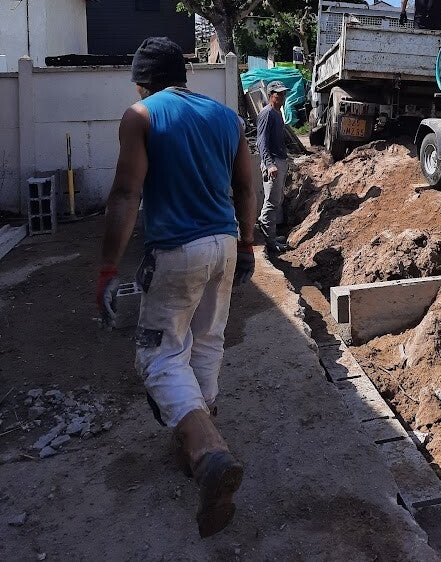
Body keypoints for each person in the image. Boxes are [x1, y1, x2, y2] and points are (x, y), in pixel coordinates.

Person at [96, 36, 257, 539]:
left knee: (159, 355)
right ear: (183, 76)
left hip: (176, 250)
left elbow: (126, 193)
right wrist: (247, 243)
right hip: (225, 245)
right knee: (205, 343)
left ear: (142, 82)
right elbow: (247, 186)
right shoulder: (226, 117)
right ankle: (192, 445)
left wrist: (106, 268)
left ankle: (208, 451)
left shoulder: (141, 115)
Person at [256, 81, 290, 252]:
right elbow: (261, 142)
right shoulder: (267, 113)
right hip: (273, 162)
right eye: (279, 94)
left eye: (283, 94)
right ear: (270, 95)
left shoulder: (277, 113)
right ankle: (269, 242)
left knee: (276, 201)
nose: (282, 97)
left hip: (279, 160)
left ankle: (271, 235)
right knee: (271, 202)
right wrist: (270, 164)